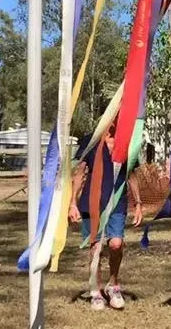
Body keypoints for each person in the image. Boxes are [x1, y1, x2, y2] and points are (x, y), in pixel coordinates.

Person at [68, 123, 144, 311]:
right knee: (96, 248)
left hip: (117, 203)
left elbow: (131, 175)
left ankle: (113, 285)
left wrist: (138, 204)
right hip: (91, 203)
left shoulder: (126, 143)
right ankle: (95, 290)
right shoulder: (91, 141)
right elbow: (79, 173)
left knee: (116, 244)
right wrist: (72, 203)